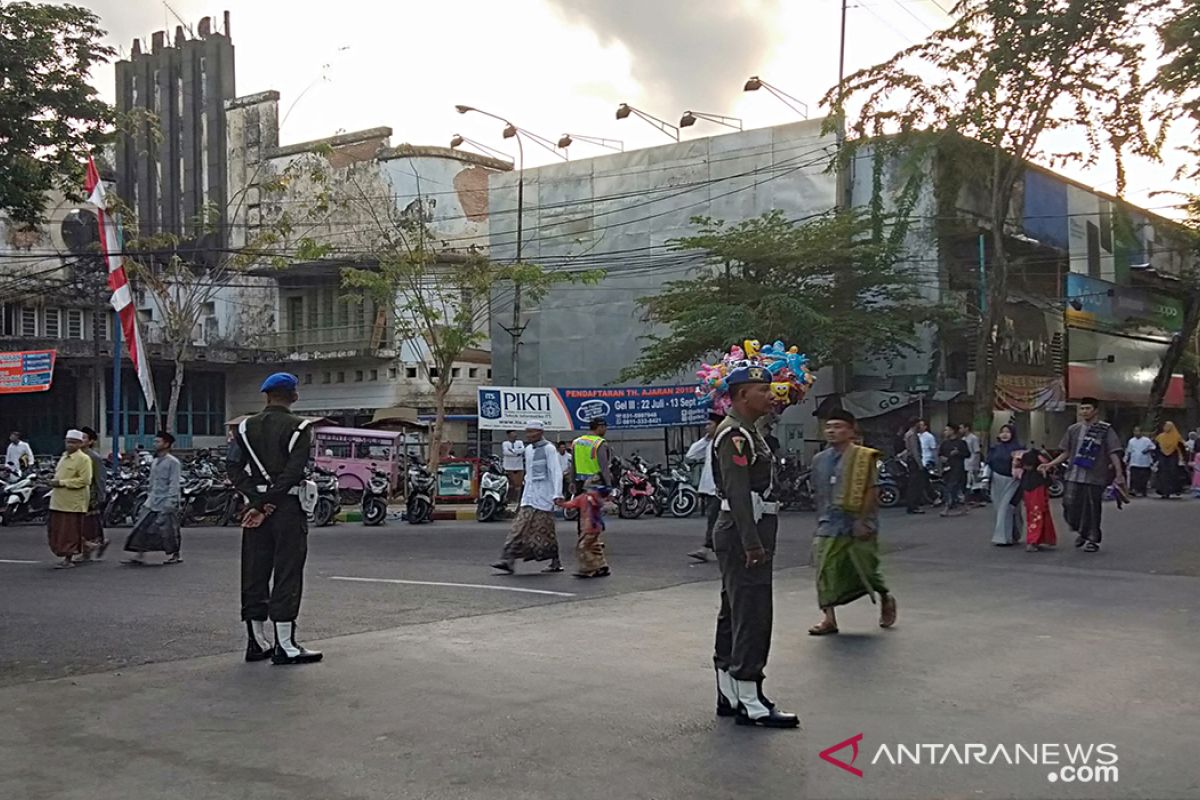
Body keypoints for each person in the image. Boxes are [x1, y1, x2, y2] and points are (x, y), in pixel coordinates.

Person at [710, 365, 798, 729]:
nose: (770, 395)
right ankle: (751, 699)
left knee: (734, 610)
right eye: (763, 390)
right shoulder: (735, 435)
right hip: (745, 531)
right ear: (743, 394)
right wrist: (752, 543)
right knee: (753, 612)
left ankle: (729, 692)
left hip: (743, 529)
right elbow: (738, 492)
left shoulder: (748, 431)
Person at [228, 372, 322, 665]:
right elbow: (293, 473)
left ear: (266, 396)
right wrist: (270, 503)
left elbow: (233, 468)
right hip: (287, 508)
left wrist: (257, 503)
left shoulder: (244, 428)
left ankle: (256, 642)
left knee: (254, 571)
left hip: (254, 510)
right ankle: (286, 645)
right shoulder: (300, 427)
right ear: (293, 396)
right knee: (287, 572)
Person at [809, 409, 896, 637]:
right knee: (824, 567)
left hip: (859, 522)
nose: (832, 431)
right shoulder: (819, 460)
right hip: (829, 522)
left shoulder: (865, 457)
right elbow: (819, 492)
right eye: (829, 427)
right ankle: (829, 618)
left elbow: (872, 490)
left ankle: (885, 596)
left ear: (851, 430)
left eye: (838, 427)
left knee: (866, 569)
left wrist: (862, 520)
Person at [1040, 397, 1124, 553]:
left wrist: (1119, 474)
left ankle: (1092, 539)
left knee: (1093, 508)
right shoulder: (1073, 429)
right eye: (1082, 409)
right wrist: (1051, 464)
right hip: (1073, 474)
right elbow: (1066, 452)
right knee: (1069, 504)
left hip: (1095, 475)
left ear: (1095, 410)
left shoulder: (1105, 430)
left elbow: (1113, 452)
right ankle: (1082, 530)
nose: (1084, 411)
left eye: (1087, 408)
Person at [492, 420, 565, 574]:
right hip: (529, 496)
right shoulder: (529, 450)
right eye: (528, 432)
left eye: (532, 432)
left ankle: (555, 561)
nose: (529, 435)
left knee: (544, 530)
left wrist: (557, 494)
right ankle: (508, 559)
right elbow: (529, 474)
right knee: (518, 527)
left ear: (540, 432)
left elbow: (555, 472)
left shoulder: (549, 449)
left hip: (545, 496)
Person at [123, 431, 182, 565]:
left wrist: (171, 501)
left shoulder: (173, 462)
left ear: (166, 444)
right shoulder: (155, 461)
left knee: (169, 530)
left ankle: (175, 554)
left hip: (166, 500)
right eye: (155, 441)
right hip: (152, 500)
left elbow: (174, 483)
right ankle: (139, 554)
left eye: (158, 441)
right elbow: (152, 482)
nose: (155, 444)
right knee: (142, 526)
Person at [46, 429, 94, 569]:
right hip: (58, 501)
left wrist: (61, 483)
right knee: (57, 530)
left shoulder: (84, 459)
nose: (70, 445)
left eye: (73, 442)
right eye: (68, 442)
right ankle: (87, 547)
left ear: (80, 444)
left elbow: (85, 481)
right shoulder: (63, 457)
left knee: (69, 532)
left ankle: (69, 558)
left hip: (73, 503)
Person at [685, 411, 723, 562]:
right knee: (714, 519)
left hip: (718, 488)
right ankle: (712, 547)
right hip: (709, 488)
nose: (706, 427)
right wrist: (705, 439)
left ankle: (708, 548)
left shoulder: (723, 441)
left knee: (716, 519)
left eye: (710, 424)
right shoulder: (709, 443)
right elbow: (691, 454)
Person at [557, 484, 611, 578]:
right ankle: (602, 565)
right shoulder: (596, 498)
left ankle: (590, 568)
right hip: (597, 527)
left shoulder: (583, 498)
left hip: (588, 527)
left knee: (583, 548)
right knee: (594, 546)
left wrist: (560, 503)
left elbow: (571, 504)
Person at [987, 424, 1025, 546]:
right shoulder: (994, 448)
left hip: (1013, 481)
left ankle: (1002, 538)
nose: (1004, 434)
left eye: (1007, 432)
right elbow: (989, 464)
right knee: (1002, 510)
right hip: (996, 481)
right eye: (1002, 432)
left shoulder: (1019, 449)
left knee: (1006, 508)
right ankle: (1015, 533)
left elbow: (1023, 466)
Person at [1014, 448, 1057, 552]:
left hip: (1033, 489)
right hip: (1037, 488)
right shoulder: (1038, 467)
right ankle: (1037, 539)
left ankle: (1033, 540)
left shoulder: (1026, 473)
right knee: (1038, 514)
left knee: (1034, 515)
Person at [78, 426, 109, 561]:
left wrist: (101, 495)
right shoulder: (76, 455)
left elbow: (100, 477)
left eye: (84, 437)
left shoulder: (93, 457)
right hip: (77, 494)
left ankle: (91, 547)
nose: (81, 440)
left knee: (89, 523)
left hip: (90, 494)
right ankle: (90, 548)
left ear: (90, 441)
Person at [572, 418, 612, 492]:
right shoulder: (599, 443)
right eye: (605, 427)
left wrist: (572, 482)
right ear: (600, 427)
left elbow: (573, 465)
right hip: (596, 484)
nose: (606, 429)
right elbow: (604, 467)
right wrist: (609, 485)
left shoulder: (577, 442)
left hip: (579, 483)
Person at [938, 425, 970, 517]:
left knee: (952, 487)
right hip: (947, 468)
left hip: (958, 468)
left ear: (952, 431)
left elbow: (967, 454)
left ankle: (948, 507)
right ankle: (959, 505)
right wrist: (942, 458)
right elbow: (940, 454)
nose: (945, 432)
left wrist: (958, 453)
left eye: (947, 430)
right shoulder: (944, 443)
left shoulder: (961, 443)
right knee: (949, 487)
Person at [1153, 421, 1186, 498]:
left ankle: (1173, 490)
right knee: (1162, 474)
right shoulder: (1160, 437)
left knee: (1173, 473)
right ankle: (1163, 491)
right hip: (1162, 458)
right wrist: (1156, 458)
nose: (1166, 428)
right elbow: (1157, 448)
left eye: (1168, 426)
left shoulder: (1177, 437)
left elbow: (1181, 448)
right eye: (1165, 426)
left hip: (1173, 458)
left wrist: (1182, 458)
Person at [902, 418, 926, 514]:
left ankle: (912, 505)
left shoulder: (908, 434)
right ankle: (913, 506)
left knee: (913, 484)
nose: (920, 426)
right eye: (919, 424)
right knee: (915, 484)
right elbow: (914, 450)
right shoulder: (912, 435)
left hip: (911, 460)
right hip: (913, 462)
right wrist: (920, 464)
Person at [1125, 426, 1155, 497]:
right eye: (1135, 431)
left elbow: (1153, 447)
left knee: (1143, 478)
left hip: (1144, 462)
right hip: (1134, 462)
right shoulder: (1131, 441)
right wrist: (1127, 460)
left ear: (1141, 432)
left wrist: (1147, 450)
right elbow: (1129, 451)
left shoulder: (1146, 440)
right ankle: (1133, 490)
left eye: (1138, 431)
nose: (1137, 433)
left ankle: (1143, 491)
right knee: (1134, 477)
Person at [959, 423, 983, 505]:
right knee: (967, 481)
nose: (960, 430)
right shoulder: (963, 439)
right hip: (965, 462)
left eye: (961, 428)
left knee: (973, 481)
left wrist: (975, 463)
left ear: (967, 428)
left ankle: (977, 499)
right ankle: (968, 498)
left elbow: (977, 451)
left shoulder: (973, 438)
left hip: (972, 462)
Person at [501, 430, 525, 504]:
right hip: (508, 467)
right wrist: (516, 453)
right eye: (512, 434)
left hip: (519, 467)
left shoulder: (520, 442)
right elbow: (506, 452)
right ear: (508, 435)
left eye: (515, 434)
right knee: (509, 485)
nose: (514, 436)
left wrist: (512, 451)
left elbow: (522, 450)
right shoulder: (505, 443)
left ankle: (517, 500)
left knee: (518, 485)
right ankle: (508, 499)